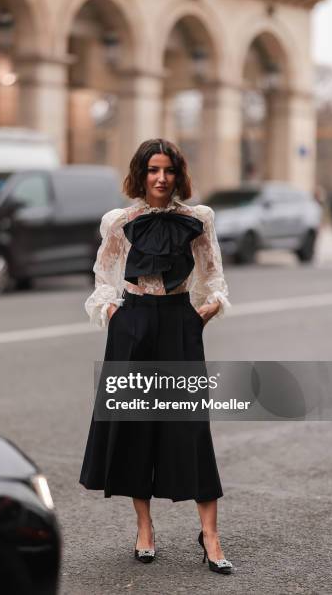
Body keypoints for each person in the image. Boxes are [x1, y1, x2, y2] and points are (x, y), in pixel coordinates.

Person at [80, 138, 233, 573]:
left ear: (178, 174)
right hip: (132, 326)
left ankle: (210, 535)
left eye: (167, 170)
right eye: (152, 170)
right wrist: (112, 310)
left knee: (191, 428)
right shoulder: (120, 220)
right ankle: (144, 528)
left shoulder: (198, 219)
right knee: (134, 427)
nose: (161, 178)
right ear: (140, 174)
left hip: (180, 324)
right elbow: (103, 275)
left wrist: (212, 304)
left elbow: (213, 273)